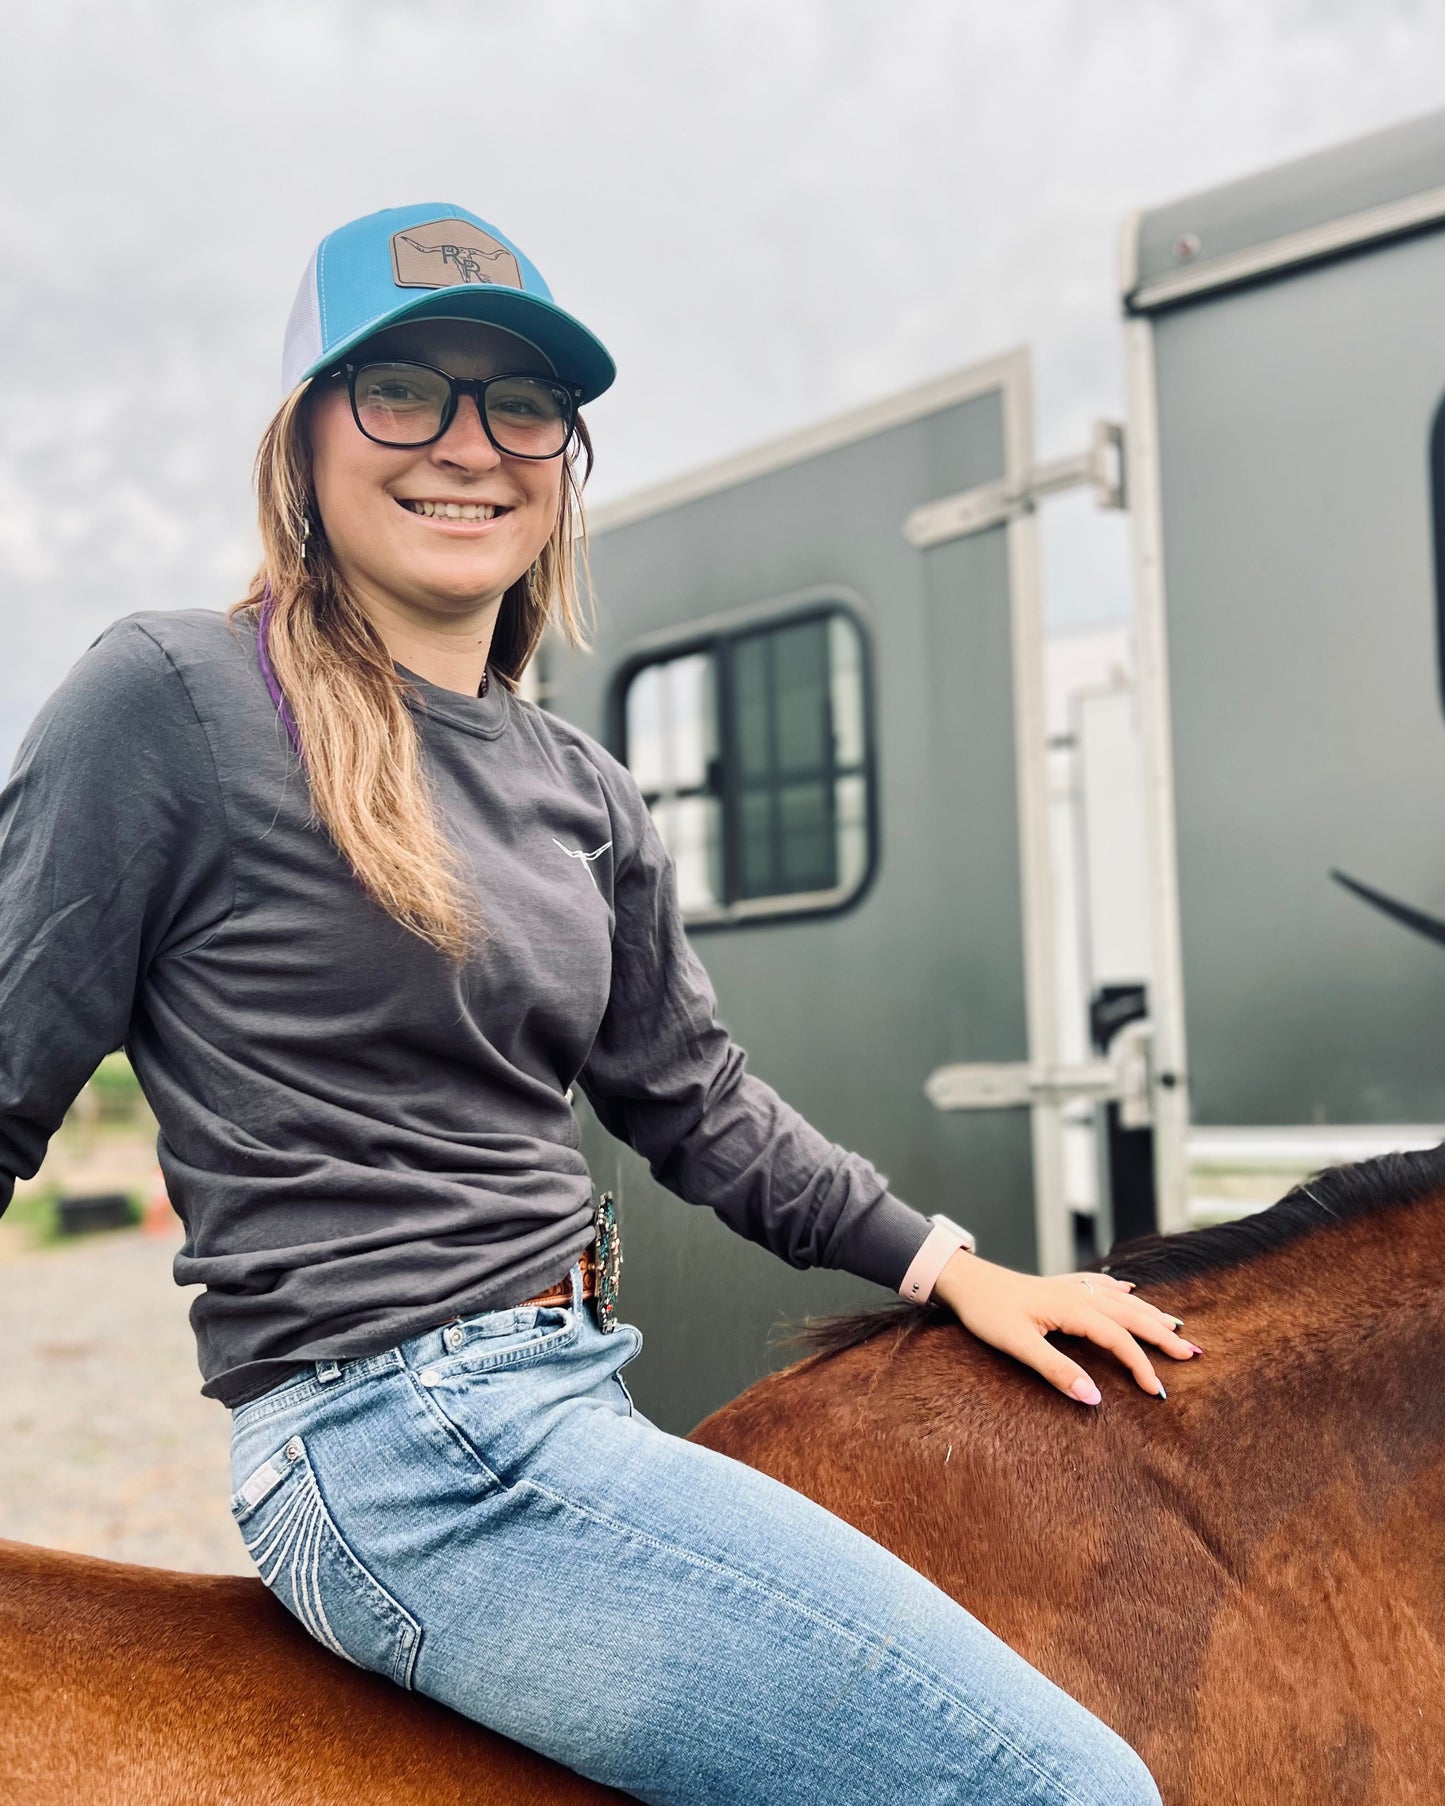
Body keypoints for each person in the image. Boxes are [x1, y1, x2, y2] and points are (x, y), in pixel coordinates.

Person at [0, 203, 1183, 1806]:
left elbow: (693, 1098)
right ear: (303, 441)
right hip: (397, 1450)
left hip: (568, 1392)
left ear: (564, 458)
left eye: (521, 403)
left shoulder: (577, 784)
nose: (466, 445)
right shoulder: (173, 698)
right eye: (402, 388)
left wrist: (952, 1265)